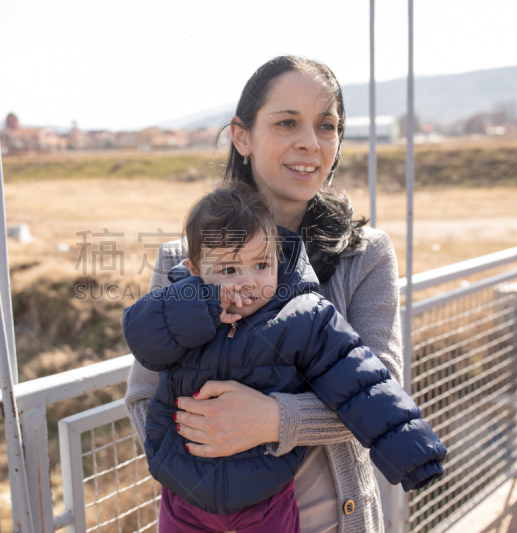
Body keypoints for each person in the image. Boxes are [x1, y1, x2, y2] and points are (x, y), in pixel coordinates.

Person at [125, 55, 406, 533]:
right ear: (242, 136)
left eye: (327, 125)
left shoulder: (367, 254)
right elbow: (142, 399)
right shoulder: (182, 258)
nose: (310, 143)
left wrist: (273, 419)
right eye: (287, 122)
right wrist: (208, 477)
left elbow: (384, 390)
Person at [122, 183, 446, 533]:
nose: (249, 283)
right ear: (195, 270)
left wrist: (411, 454)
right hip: (185, 494)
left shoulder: (303, 317)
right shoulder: (181, 305)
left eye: (262, 265)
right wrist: (199, 305)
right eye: (230, 270)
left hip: (267, 494)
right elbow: (142, 338)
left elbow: (362, 383)